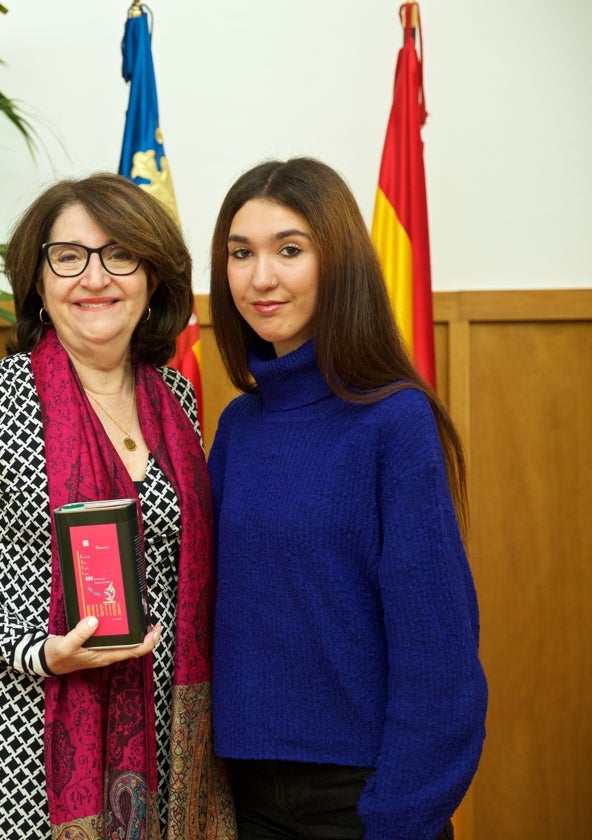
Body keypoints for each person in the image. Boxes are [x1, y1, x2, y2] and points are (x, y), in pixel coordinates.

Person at [0, 173, 235, 839]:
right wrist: (38, 651)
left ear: (153, 277)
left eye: (119, 254)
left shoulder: (178, 402)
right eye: (68, 256)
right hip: (13, 739)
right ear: (38, 281)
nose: (95, 278)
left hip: (158, 732)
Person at [206, 157, 487, 840]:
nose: (260, 277)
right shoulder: (239, 426)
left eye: (290, 250)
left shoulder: (394, 421)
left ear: (340, 264)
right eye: (240, 253)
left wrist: (396, 817)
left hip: (361, 805)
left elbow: (440, 658)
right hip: (239, 797)